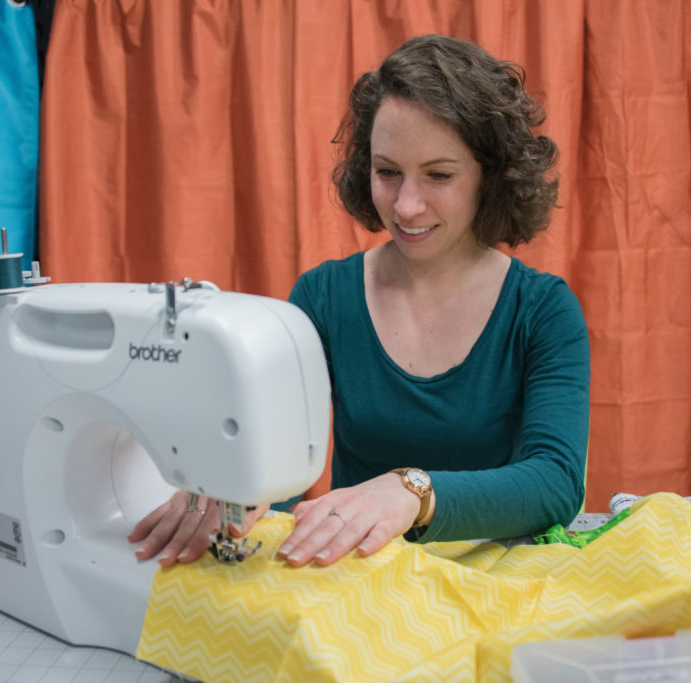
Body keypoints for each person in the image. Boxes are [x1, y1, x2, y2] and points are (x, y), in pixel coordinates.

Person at [129, 34, 590, 569]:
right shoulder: (322, 297)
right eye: (387, 172)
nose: (407, 206)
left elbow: (555, 482)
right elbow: (276, 459)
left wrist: (411, 492)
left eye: (439, 175)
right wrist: (238, 488)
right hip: (357, 584)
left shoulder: (543, 311)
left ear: (491, 178)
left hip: (495, 584)